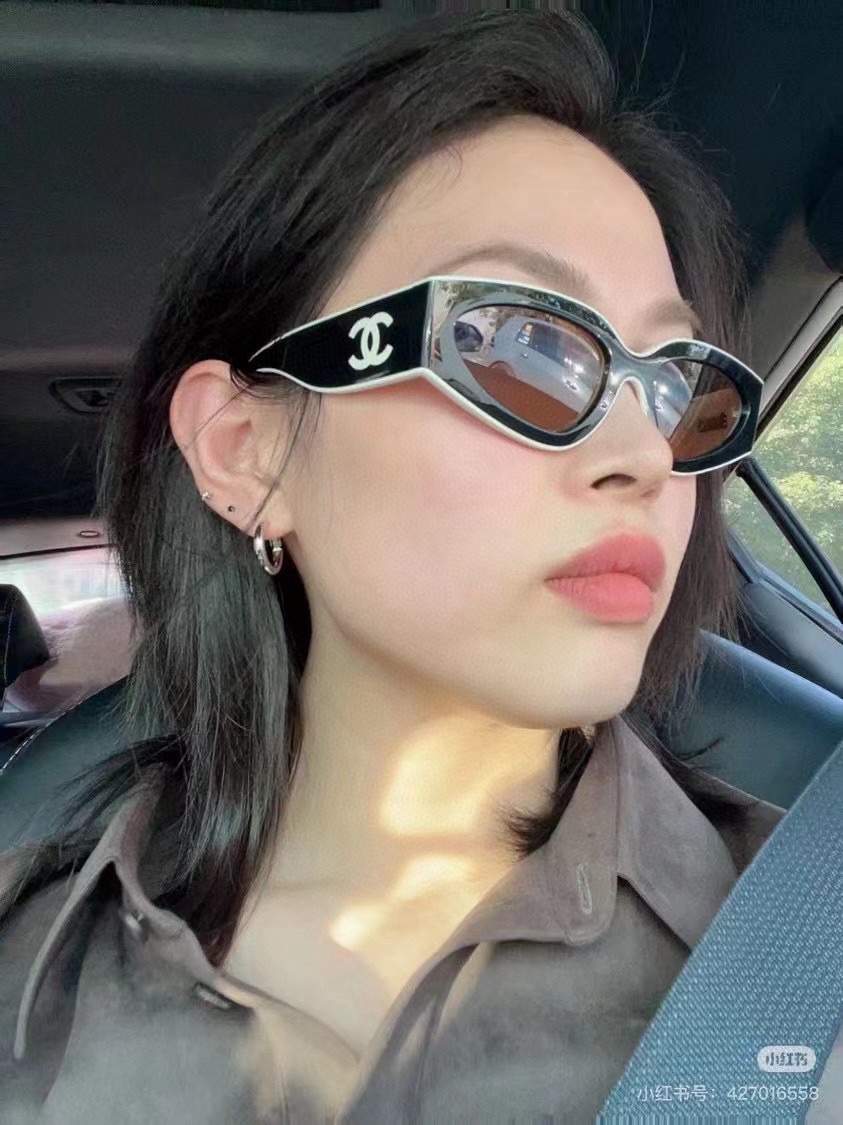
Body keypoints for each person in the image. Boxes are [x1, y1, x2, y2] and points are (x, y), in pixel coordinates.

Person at [0, 9, 789, 1123]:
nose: (645, 456)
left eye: (672, 385)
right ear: (246, 451)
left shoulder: (805, 940)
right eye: (520, 344)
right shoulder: (25, 974)